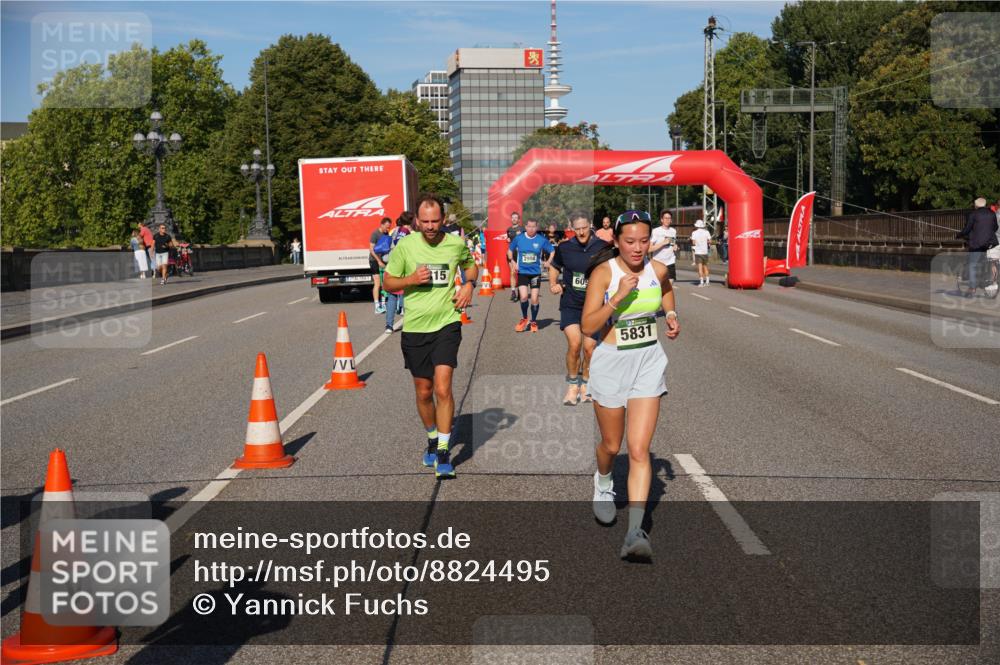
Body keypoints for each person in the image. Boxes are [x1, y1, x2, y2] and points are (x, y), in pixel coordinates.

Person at [581, 210, 680, 561]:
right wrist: (615, 299)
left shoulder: (658, 270)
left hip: (648, 361)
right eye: (629, 241)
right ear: (616, 241)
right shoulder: (605, 273)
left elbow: (666, 291)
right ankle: (604, 482)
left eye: (643, 241)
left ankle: (635, 532)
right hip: (610, 363)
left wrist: (670, 314)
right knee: (612, 444)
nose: (637, 249)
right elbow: (587, 324)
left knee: (639, 450)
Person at [383, 193, 478, 479]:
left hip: (447, 323)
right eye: (424, 221)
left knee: (442, 388)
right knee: (424, 392)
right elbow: (388, 281)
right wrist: (410, 280)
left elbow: (470, 265)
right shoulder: (405, 246)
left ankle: (444, 452)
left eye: (435, 220)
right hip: (415, 327)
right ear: (416, 220)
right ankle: (432, 437)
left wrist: (469, 284)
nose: (430, 226)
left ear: (444, 219)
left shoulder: (455, 243)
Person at [549, 212, 606, 405]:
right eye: (577, 228)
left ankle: (586, 383)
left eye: (584, 227)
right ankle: (573, 384)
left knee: (590, 349)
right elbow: (554, 267)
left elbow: (612, 271)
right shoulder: (565, 247)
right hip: (571, 303)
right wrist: (553, 283)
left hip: (594, 305)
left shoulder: (603, 247)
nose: (581, 232)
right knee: (575, 345)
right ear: (572, 228)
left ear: (590, 225)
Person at [508, 219, 555, 333]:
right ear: (526, 226)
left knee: (534, 299)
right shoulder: (519, 238)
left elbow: (552, 250)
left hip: (535, 273)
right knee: (523, 297)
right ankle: (525, 318)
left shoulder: (541, 239)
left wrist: (548, 261)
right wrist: (513, 262)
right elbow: (509, 251)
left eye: (534, 227)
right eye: (529, 226)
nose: (531, 229)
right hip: (523, 272)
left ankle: (533, 321)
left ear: (537, 227)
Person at [957, 197, 1000, 297]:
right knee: (988, 261)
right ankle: (989, 280)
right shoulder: (992, 213)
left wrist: (959, 234)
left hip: (977, 244)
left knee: (972, 264)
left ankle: (972, 288)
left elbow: (967, 229)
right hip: (990, 243)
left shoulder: (974, 214)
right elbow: (995, 227)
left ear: (976, 205)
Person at [383, 212, 413, 334]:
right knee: (406, 294)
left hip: (391, 265)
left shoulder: (395, 231)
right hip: (403, 266)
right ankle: (408, 322)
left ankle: (389, 325)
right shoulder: (410, 233)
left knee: (392, 296)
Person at [369, 217, 392, 313]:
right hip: (374, 260)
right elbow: (371, 249)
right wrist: (378, 261)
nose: (388, 229)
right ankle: (377, 306)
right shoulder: (375, 234)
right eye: (386, 227)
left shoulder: (386, 233)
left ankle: (383, 304)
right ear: (382, 224)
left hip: (384, 261)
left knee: (384, 283)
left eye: (389, 227)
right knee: (377, 283)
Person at [649, 211, 678, 283]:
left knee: (670, 283)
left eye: (669, 218)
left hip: (670, 261)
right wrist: (662, 243)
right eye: (665, 218)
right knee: (659, 285)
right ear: (661, 220)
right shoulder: (655, 231)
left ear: (671, 220)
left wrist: (675, 246)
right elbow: (649, 249)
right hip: (658, 262)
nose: (667, 220)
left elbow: (672, 243)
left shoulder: (673, 231)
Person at [506, 211, 525, 301]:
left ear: (518, 219)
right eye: (512, 217)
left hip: (520, 254)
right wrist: (508, 239)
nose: (514, 219)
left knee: (520, 274)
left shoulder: (522, 229)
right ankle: (513, 292)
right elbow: (509, 240)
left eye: (515, 218)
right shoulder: (508, 229)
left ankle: (520, 291)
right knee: (512, 272)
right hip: (511, 253)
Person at [690, 219, 712, 286]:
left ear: (696, 226)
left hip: (698, 252)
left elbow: (693, 243)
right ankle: (707, 282)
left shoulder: (694, 233)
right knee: (705, 267)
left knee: (700, 268)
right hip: (705, 252)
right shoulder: (707, 232)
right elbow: (710, 241)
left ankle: (701, 282)